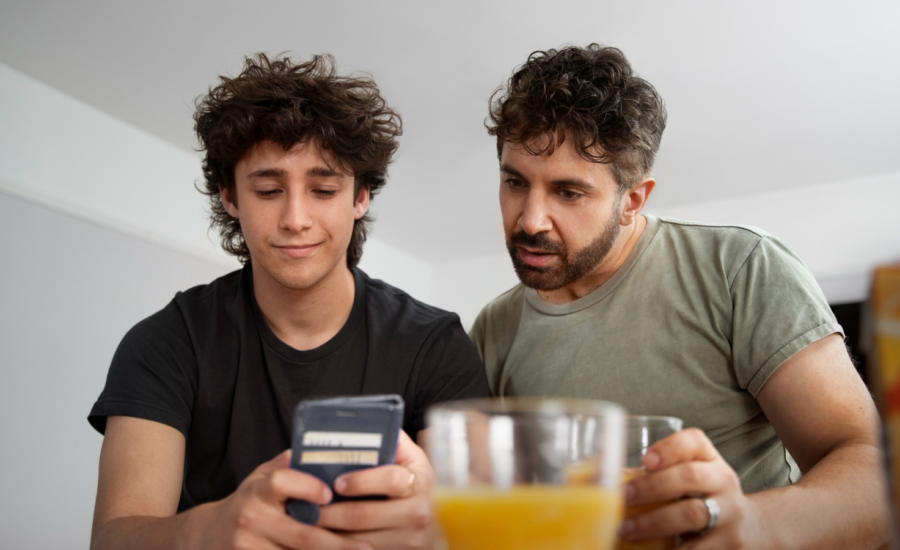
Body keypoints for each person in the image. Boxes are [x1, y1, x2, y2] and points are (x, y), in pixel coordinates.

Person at [470, 44, 888, 549]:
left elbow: (872, 472)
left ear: (633, 200)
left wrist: (756, 528)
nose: (530, 220)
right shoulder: (493, 329)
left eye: (568, 192)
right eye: (515, 182)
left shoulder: (738, 268)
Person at [88, 53, 488, 550]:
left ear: (360, 197)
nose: (295, 218)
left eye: (323, 189)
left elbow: (477, 534)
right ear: (230, 197)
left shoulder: (434, 345)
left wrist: (440, 526)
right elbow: (112, 538)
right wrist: (212, 528)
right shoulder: (167, 343)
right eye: (269, 189)